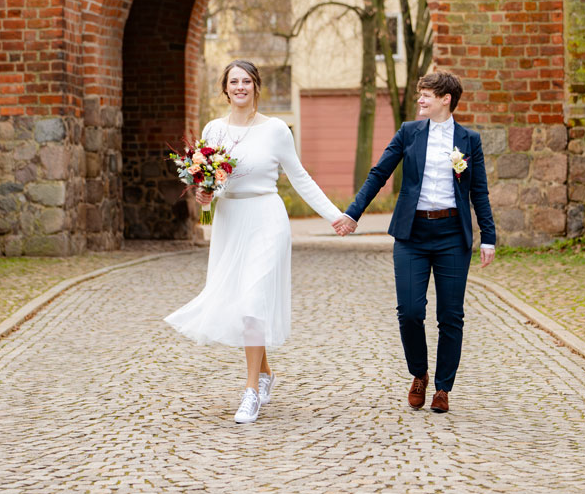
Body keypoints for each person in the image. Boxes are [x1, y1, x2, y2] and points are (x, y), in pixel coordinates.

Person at [165, 60, 348, 424]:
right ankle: (264, 373)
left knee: (253, 301)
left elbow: (300, 177)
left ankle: (250, 391)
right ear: (225, 88)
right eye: (233, 81)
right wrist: (206, 197)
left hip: (266, 218)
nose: (240, 87)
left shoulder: (276, 130)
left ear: (256, 86)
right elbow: (212, 185)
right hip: (230, 222)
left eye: (246, 81)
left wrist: (335, 215)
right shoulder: (214, 130)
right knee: (241, 301)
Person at [333, 71, 496, 413]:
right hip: (412, 234)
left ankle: (443, 388)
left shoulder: (469, 140)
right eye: (420, 94)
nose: (420, 100)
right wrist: (353, 213)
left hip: (453, 236)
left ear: (445, 99)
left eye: (426, 95)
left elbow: (478, 191)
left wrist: (488, 237)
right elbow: (379, 174)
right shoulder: (409, 132)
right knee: (409, 311)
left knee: (451, 316)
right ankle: (419, 373)